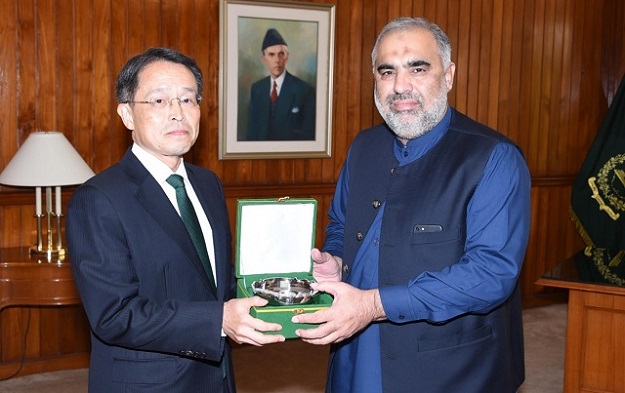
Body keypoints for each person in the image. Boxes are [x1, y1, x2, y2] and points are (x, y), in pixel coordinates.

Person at [292, 17, 531, 393]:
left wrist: (373, 304)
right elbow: (340, 225)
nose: (400, 86)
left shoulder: (493, 157)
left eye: (417, 68)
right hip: (353, 348)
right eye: (386, 72)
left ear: (449, 75)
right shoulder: (363, 146)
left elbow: (490, 275)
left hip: (448, 369)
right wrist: (336, 262)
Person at [66, 47, 285, 393]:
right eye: (158, 101)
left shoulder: (207, 183)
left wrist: (278, 283)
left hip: (217, 376)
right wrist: (220, 320)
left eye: (187, 100)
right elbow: (114, 315)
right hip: (148, 384)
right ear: (126, 115)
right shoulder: (98, 199)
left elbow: (216, 282)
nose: (177, 113)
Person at [245, 28, 316, 141]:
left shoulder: (305, 91)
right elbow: (251, 134)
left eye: (281, 54)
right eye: (271, 55)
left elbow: (308, 137)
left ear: (287, 56)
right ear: (264, 59)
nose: (277, 60)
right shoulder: (257, 89)